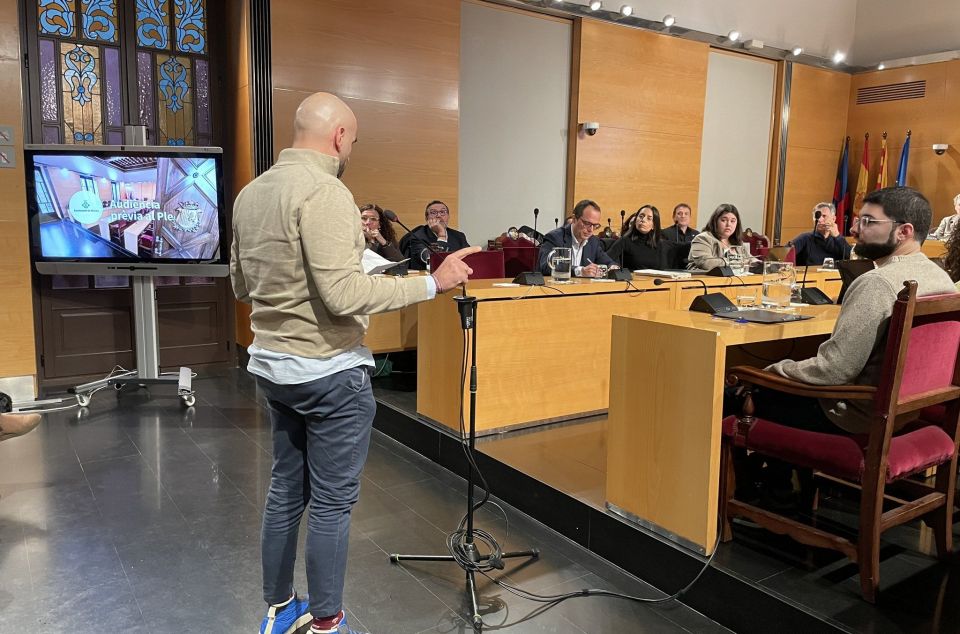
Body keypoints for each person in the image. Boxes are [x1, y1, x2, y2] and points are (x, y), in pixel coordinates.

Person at [231, 92, 478, 634]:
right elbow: (343, 295)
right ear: (340, 136)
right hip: (328, 373)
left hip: (273, 368)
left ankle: (280, 609)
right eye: (354, 141)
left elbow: (242, 286)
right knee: (331, 504)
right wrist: (433, 283)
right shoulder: (326, 191)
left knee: (285, 490)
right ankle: (327, 622)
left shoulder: (250, 193)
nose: (351, 151)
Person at [754, 187, 957, 435]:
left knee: (738, 391)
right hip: (907, 413)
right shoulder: (941, 277)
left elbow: (833, 371)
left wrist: (770, 371)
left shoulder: (878, 283)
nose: (853, 229)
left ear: (904, 231)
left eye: (868, 221)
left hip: (853, 418)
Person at [538, 199, 617, 277]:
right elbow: (545, 266)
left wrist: (613, 268)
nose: (591, 230)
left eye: (595, 225)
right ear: (574, 219)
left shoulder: (593, 241)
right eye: (587, 223)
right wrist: (580, 271)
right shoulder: (555, 237)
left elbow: (609, 262)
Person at [400, 200, 470, 269]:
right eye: (433, 213)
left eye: (442, 212)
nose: (438, 215)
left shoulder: (459, 236)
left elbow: (469, 258)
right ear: (426, 218)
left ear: (448, 216)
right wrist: (441, 235)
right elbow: (431, 260)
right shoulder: (417, 236)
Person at [686, 203, 756, 272]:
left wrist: (758, 263)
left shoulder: (738, 242)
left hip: (737, 278)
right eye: (723, 220)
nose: (728, 224)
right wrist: (734, 262)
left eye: (732, 221)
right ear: (715, 221)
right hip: (706, 278)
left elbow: (750, 259)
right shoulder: (703, 238)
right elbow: (705, 263)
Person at [607, 205, 674, 270]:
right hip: (632, 277)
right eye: (641, 216)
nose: (643, 220)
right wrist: (612, 265)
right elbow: (605, 259)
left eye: (649, 218)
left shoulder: (660, 244)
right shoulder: (625, 241)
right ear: (636, 220)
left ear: (654, 225)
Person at [788, 202, 852, 265]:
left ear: (833, 219)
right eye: (817, 216)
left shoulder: (838, 240)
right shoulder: (805, 238)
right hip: (810, 272)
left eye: (824, 216)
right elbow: (785, 253)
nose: (819, 220)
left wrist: (837, 236)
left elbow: (851, 259)